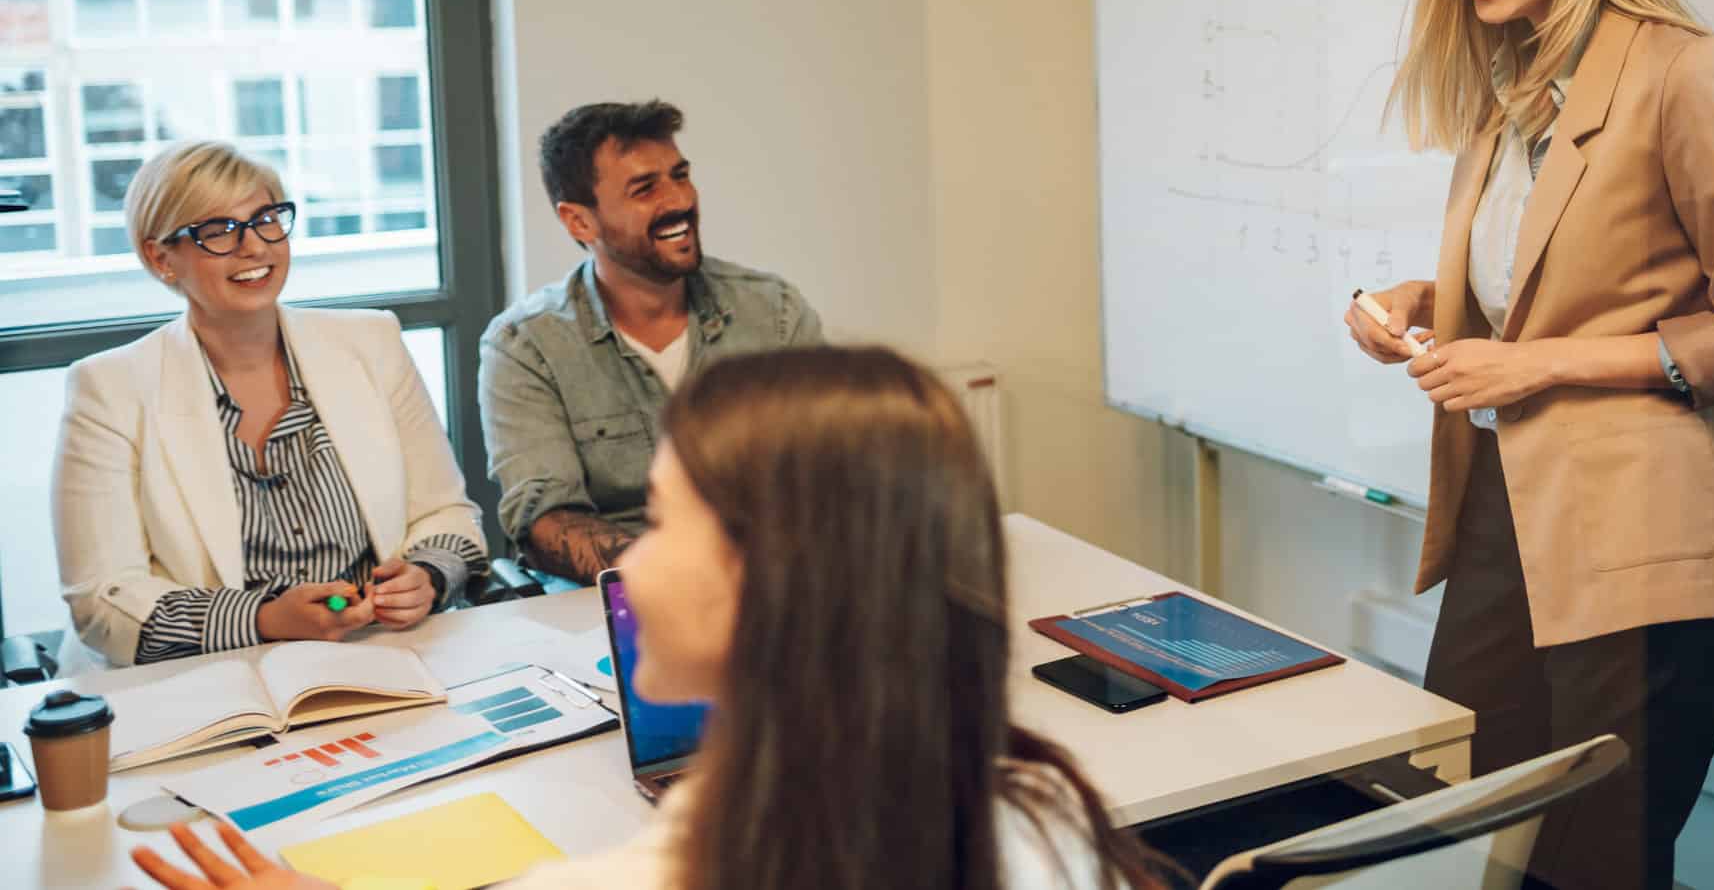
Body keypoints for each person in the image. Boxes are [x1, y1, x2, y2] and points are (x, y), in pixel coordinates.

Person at [134, 346, 1169, 890]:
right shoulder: (1035, 805)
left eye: (665, 520)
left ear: (774, 577)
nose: (629, 562)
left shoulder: (701, 860)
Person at [1342, 0, 1714, 890]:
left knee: (1594, 855)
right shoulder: (1513, 75)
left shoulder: (1685, 71)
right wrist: (1432, 298)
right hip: (1509, 505)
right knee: (1465, 827)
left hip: (1641, 529)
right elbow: (1558, 276)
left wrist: (1532, 361)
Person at [53, 142, 486, 671]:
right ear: (160, 258)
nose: (253, 246)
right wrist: (264, 618)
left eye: (265, 219)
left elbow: (446, 513)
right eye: (216, 231)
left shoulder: (371, 342)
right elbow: (101, 599)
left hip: (384, 659)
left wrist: (428, 576)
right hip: (213, 682)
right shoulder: (109, 387)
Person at [479, 100, 822, 586]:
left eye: (680, 176)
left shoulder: (774, 312)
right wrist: (688, 575)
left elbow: (830, 470)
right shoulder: (525, 346)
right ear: (580, 222)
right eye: (645, 189)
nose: (679, 200)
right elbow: (546, 521)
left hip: (778, 586)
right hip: (618, 601)